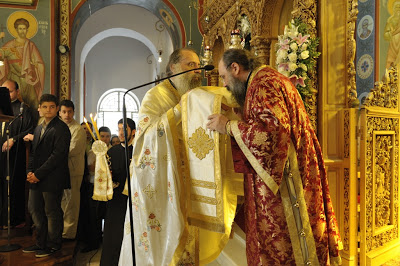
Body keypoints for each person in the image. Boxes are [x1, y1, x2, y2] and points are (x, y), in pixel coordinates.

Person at [207, 49, 342, 265]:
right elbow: (265, 119)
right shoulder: (264, 79)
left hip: (288, 179)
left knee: (289, 241)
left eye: (224, 76)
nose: (224, 84)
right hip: (294, 166)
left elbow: (272, 133)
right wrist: (237, 115)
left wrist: (228, 126)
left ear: (235, 68)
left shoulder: (263, 84)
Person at [119, 48, 241, 265]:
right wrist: (178, 112)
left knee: (191, 241)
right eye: (190, 65)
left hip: (190, 179)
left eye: (197, 66)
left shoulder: (196, 95)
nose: (197, 71)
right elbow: (145, 140)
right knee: (166, 240)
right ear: (172, 68)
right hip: (164, 183)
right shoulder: (156, 96)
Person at [23, 94, 71, 258]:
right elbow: (34, 153)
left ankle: (53, 244)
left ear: (57, 109)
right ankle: (40, 243)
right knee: (34, 209)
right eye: (45, 107)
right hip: (36, 176)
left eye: (52, 107)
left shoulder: (61, 128)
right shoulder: (38, 128)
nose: (48, 110)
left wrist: (38, 174)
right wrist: (30, 172)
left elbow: (57, 156)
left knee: (51, 211)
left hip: (52, 177)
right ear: (39, 108)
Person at [100, 118, 135, 266]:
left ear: (133, 131)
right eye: (119, 129)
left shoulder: (139, 149)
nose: (120, 132)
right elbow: (106, 174)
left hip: (133, 199)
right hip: (115, 200)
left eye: (124, 129)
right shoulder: (112, 151)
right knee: (113, 235)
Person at [0, 79, 35, 229]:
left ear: (17, 92)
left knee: (11, 186)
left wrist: (14, 139)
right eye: (3, 91)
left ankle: (11, 220)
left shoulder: (23, 110)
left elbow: (29, 129)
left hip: (14, 155)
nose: (6, 95)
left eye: (9, 91)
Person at [0, 18, 45, 109]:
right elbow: (1, 58)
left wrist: (34, 65)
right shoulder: (9, 45)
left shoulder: (30, 45)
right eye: (20, 28)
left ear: (27, 30)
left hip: (27, 79)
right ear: (16, 30)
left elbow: (39, 63)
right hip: (13, 77)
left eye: (24, 28)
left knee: (33, 103)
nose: (22, 31)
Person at [59, 100, 86, 240]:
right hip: (60, 171)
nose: (67, 115)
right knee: (62, 201)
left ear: (73, 112)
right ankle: (61, 230)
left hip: (73, 171)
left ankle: (68, 234)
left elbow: (71, 150)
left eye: (69, 112)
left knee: (71, 203)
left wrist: (53, 152)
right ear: (59, 112)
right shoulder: (58, 127)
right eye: (64, 112)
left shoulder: (77, 130)